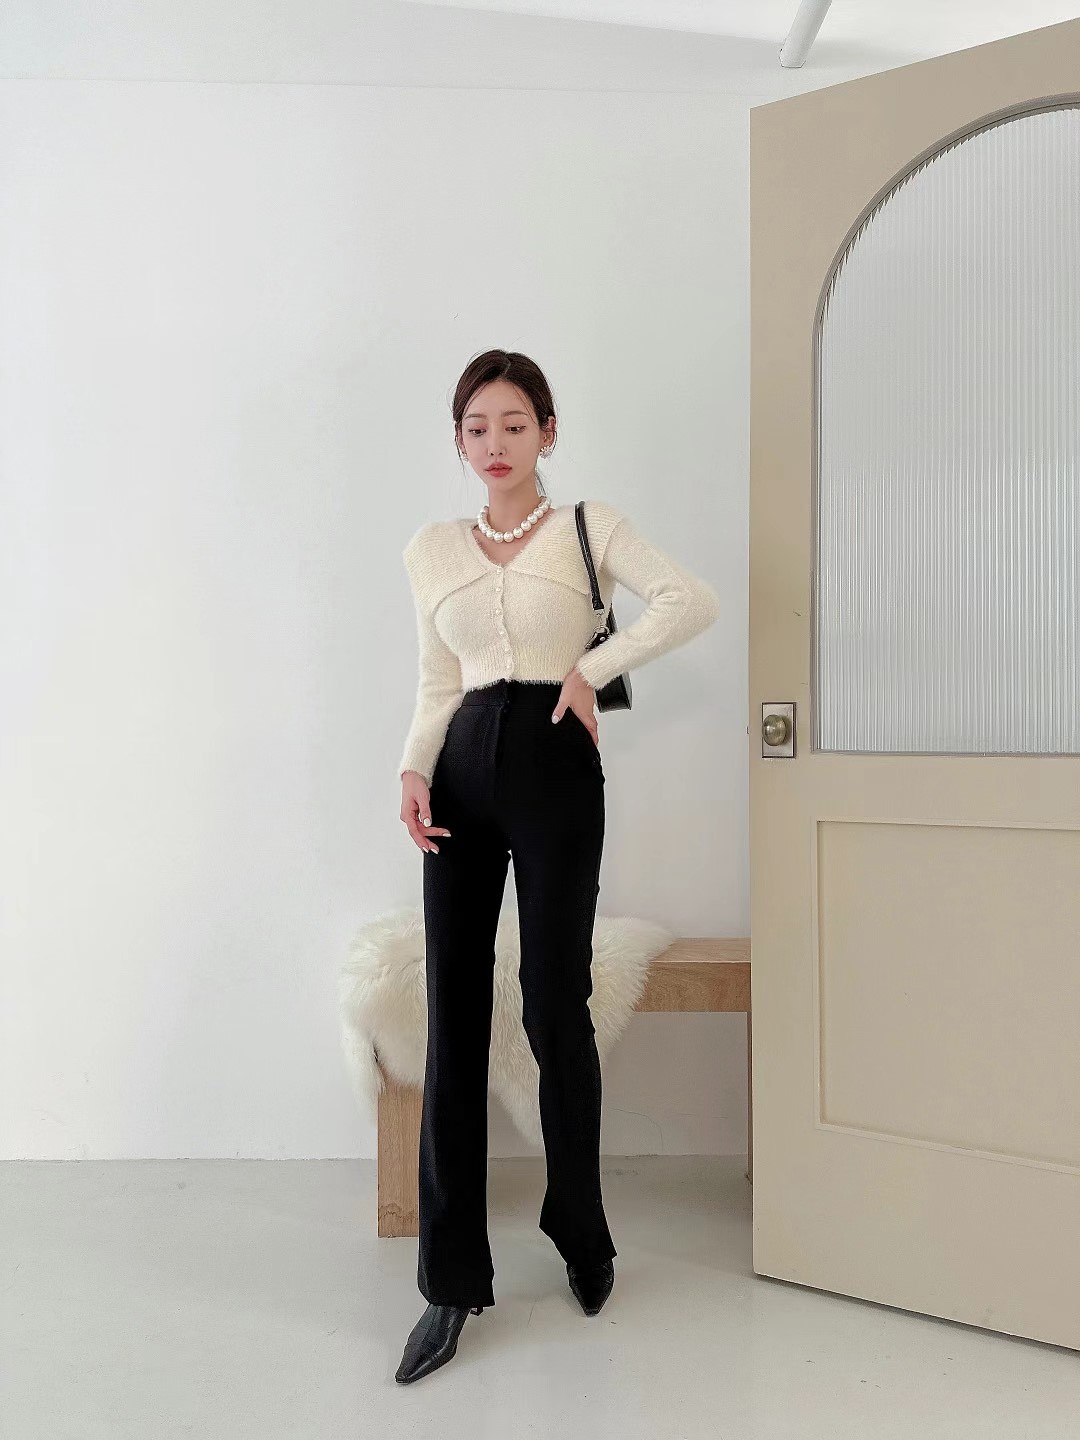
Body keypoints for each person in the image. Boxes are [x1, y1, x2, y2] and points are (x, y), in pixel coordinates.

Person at [394, 349, 722, 1384]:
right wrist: (412, 770)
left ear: (547, 431)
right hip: (460, 771)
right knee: (453, 1010)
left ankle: (579, 1228)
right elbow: (436, 681)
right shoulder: (431, 549)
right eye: (476, 427)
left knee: (554, 1002)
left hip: (555, 769)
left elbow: (689, 600)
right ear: (458, 440)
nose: (494, 444)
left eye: (514, 424)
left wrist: (592, 669)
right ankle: (450, 1281)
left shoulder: (589, 526)